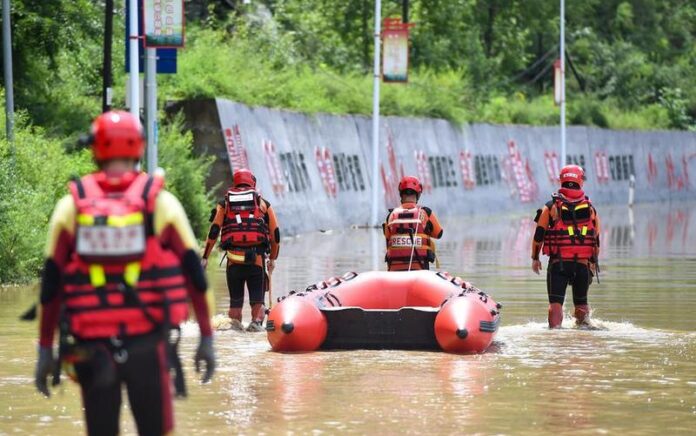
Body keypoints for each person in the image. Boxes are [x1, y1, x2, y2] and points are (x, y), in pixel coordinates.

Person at [33, 111, 216, 436]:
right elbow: (196, 278)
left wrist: (45, 348)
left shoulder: (71, 207)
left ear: (95, 148)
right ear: (139, 147)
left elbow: (50, 288)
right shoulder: (161, 203)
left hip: (92, 349)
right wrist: (206, 337)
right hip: (149, 346)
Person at [202, 168, 280, 332]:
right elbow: (276, 235)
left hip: (233, 262)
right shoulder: (263, 204)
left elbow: (214, 231)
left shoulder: (224, 204)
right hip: (256, 262)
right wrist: (273, 258)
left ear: (235, 182)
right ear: (252, 182)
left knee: (235, 306)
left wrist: (205, 257)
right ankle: (256, 324)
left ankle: (234, 331)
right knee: (257, 305)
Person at [531, 164, 601, 328]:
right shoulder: (590, 209)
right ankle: (583, 333)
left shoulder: (550, 207)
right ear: (580, 181)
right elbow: (595, 239)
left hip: (558, 266)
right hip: (582, 266)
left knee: (555, 306)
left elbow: (538, 236)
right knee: (581, 306)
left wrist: (535, 258)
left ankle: (556, 336)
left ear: (561, 180)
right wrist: (593, 263)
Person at [383, 176, 443, 271]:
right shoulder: (426, 213)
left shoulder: (390, 216)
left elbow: (388, 240)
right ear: (418, 194)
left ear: (401, 194)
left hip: (394, 272)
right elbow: (439, 233)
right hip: (420, 270)